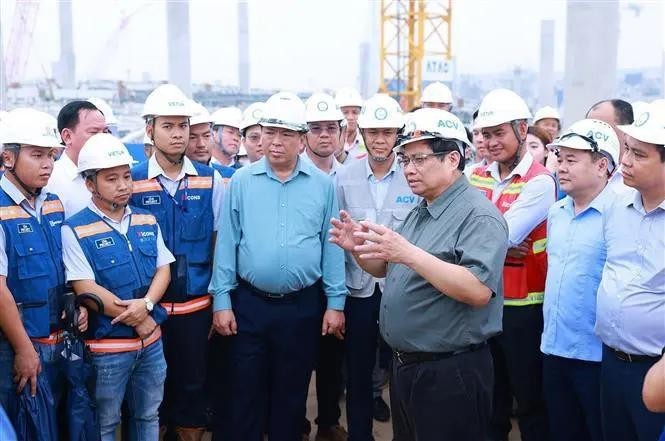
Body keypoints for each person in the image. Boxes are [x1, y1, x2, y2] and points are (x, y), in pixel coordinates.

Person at [330, 107, 508, 440]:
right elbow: (387, 267)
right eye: (405, 160)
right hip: (409, 367)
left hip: (450, 372)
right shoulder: (422, 208)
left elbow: (477, 290)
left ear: (453, 159)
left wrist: (408, 253)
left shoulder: (478, 216)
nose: (409, 170)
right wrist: (356, 248)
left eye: (419, 159)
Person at [209, 92, 346, 441]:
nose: (276, 142)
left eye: (286, 134)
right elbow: (227, 244)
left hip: (301, 307)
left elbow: (331, 247)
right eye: (270, 132)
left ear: (302, 141)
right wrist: (222, 302)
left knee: (291, 396)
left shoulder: (322, 185)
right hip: (250, 305)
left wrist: (335, 303)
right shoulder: (241, 181)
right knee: (245, 395)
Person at [62, 133, 173, 441]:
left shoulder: (145, 219)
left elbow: (164, 268)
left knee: (148, 415)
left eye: (126, 176)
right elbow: (85, 286)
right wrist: (141, 319)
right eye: (111, 179)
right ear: (90, 184)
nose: (124, 185)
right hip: (107, 348)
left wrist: (147, 305)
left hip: (151, 344)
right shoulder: (74, 228)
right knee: (106, 423)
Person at [130, 84, 225, 441]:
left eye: (182, 125)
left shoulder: (210, 179)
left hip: (196, 307)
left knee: (192, 387)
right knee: (149, 393)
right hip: (146, 309)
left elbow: (219, 242)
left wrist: (219, 299)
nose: (177, 134)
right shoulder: (133, 180)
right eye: (168, 125)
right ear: (149, 129)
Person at [470, 88, 556, 441]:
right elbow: (470, 236)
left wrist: (484, 241)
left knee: (530, 401)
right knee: (491, 401)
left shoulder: (539, 182)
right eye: (485, 134)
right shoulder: (473, 174)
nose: (490, 142)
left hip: (523, 309)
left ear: (523, 130)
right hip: (481, 302)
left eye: (499, 133)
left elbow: (498, 237)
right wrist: (489, 242)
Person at [334, 94, 419, 441]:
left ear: (397, 134)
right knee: (358, 372)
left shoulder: (414, 176)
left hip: (403, 290)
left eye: (387, 132)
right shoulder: (343, 178)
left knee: (406, 369)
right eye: (373, 132)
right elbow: (335, 242)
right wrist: (336, 302)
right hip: (359, 292)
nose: (380, 139)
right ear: (362, 133)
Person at [0, 108, 87, 431]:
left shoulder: (52, 203)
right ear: (8, 158)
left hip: (56, 342)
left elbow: (61, 267)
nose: (48, 164)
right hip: (15, 348)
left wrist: (76, 304)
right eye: (37, 155)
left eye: (51, 155)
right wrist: (23, 349)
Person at [541, 119, 620, 441]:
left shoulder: (621, 214)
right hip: (553, 348)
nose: (561, 167)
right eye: (560, 158)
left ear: (602, 165)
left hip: (597, 356)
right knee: (562, 430)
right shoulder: (557, 212)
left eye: (571, 160)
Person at [595, 102, 665, 441]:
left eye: (638, 154)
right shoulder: (615, 204)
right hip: (610, 361)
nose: (624, 161)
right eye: (626, 150)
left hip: (657, 371)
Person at [300, 92, 347, 441]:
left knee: (334, 360)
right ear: (304, 135)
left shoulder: (349, 177)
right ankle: (294, 422)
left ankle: (328, 422)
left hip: (339, 283)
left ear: (342, 133)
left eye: (331, 128)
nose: (324, 135)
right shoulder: (289, 174)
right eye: (316, 129)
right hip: (300, 284)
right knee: (296, 360)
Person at [47, 100, 110, 218]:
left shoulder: (115, 174)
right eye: (94, 132)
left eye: (105, 132)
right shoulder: (50, 181)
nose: (103, 138)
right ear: (67, 136)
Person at [586, 99, 634, 194]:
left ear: (627, 131)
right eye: (588, 129)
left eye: (601, 129)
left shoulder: (640, 179)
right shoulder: (577, 174)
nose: (592, 136)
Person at [185, 101, 235, 184]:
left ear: (213, 136)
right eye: (192, 137)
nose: (201, 144)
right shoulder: (173, 180)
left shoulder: (230, 176)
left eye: (206, 136)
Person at [335, 87, 366, 162]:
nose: (350, 117)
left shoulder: (367, 141)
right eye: (345, 112)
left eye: (355, 112)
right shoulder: (330, 141)